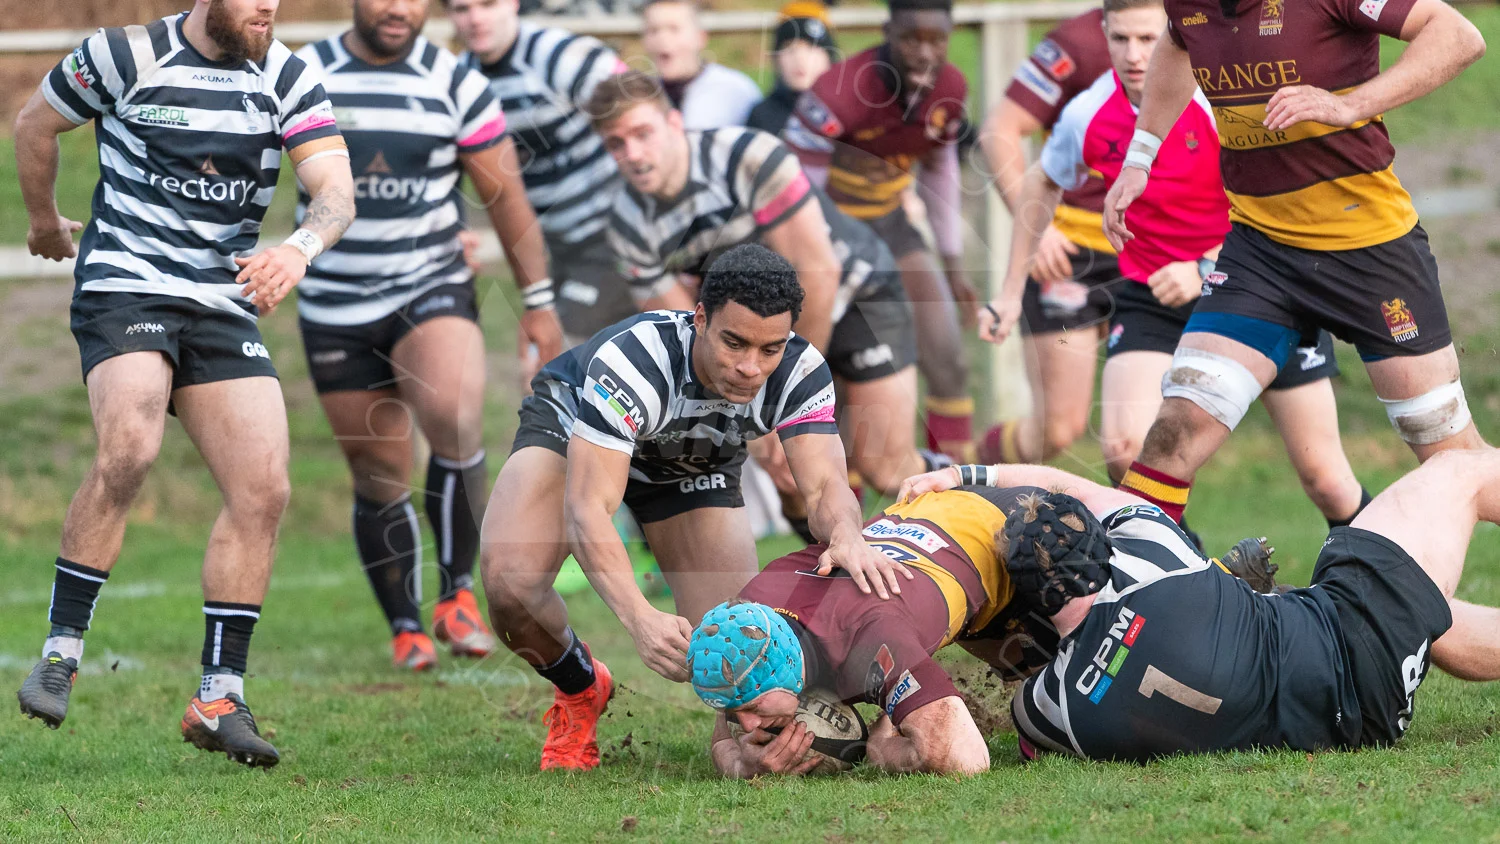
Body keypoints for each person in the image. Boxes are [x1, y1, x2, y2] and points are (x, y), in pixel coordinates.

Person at [14, 0, 355, 767]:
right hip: (125, 284)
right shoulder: (126, 55)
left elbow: (335, 189)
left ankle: (218, 695)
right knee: (131, 444)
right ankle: (61, 653)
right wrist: (41, 222)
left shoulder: (290, 75)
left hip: (219, 298)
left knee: (264, 485)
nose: (266, 5)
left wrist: (298, 249)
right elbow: (35, 123)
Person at [478, 245, 903, 771]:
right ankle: (580, 686)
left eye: (769, 349)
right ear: (700, 319)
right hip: (576, 434)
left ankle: (767, 740)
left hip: (690, 464)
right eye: (733, 342)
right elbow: (588, 508)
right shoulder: (636, 360)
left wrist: (845, 533)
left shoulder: (800, 370)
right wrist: (639, 618)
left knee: (745, 642)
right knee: (509, 581)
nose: (750, 367)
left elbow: (823, 488)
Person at [981, 0, 1369, 528]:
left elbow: (1286, 199)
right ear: (1103, 33)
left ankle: (1382, 590)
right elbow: (1042, 180)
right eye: (1120, 39)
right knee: (1124, 451)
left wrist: (1204, 267)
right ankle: (1198, 590)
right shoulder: (1088, 112)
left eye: (1147, 39)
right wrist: (1008, 293)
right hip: (1151, 297)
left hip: (1257, 286)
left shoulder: (1221, 101)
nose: (1134, 55)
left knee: (1326, 479)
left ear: (1174, 32)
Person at [1104, 0, 1488, 522]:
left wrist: (1351, 105)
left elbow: (1459, 35)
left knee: (1448, 455)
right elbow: (1176, 43)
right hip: (1259, 250)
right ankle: (1151, 591)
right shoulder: (1188, 5)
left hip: (1369, 248)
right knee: (1178, 427)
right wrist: (1140, 157)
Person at [898, 453, 1500, 762]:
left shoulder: (1047, 709)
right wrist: (967, 474)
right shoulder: (1149, 556)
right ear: (1099, 546)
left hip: (1365, 724)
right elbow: (1078, 489)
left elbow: (1029, 676)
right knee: (1462, 473)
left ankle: (1252, 596)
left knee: (1429, 609)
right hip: (1348, 635)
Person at [294, 0, 563, 671]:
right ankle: (405, 625)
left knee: (453, 407)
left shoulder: (456, 82)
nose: (398, 8)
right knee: (379, 471)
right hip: (335, 302)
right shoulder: (306, 73)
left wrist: (538, 301)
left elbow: (503, 194)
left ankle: (457, 594)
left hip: (430, 284)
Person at [590, 71, 948, 504]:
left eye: (642, 133)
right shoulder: (627, 226)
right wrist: (746, 415)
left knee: (887, 468)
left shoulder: (746, 155)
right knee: (797, 475)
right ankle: (841, 564)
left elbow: (817, 270)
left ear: (673, 124)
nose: (633, 154)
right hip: (761, 333)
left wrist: (781, 393)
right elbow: (691, 330)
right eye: (616, 143)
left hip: (856, 293)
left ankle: (984, 492)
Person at [687, 476, 1049, 777]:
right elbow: (729, 715)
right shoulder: (750, 621)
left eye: (753, 709)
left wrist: (884, 750)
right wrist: (740, 765)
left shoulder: (870, 640)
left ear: (785, 671)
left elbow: (968, 761)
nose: (747, 726)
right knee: (1013, 665)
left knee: (1056, 707)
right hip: (933, 524)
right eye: (738, 712)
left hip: (1015, 522)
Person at [782, 0, 980, 462]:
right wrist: (815, 267)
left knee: (947, 357)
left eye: (938, 39)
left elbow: (939, 171)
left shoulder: (950, 87)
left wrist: (951, 263)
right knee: (837, 381)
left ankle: (958, 500)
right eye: (912, 38)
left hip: (891, 225)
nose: (925, 52)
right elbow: (796, 196)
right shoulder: (836, 93)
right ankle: (840, 520)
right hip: (829, 232)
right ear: (887, 31)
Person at [447, 0, 639, 349]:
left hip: (609, 236)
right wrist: (455, 230)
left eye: (487, 4)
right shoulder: (458, 80)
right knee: (548, 365)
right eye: (462, 8)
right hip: (549, 252)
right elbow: (446, 170)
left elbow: (643, 110)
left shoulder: (561, 56)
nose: (475, 19)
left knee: (558, 355)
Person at [978, 7, 1116, 465]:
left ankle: (1147, 532)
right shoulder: (1076, 43)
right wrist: (1039, 227)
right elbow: (1000, 130)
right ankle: (966, 473)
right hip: (1072, 253)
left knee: (1138, 433)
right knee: (1060, 428)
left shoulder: (1201, 34)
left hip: (1154, 254)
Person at [642, 0, 762, 129]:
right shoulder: (639, 98)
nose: (663, 39)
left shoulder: (735, 90)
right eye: (653, 30)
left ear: (701, 37)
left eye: (674, 29)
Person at [746, 2, 837, 137]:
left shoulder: (848, 111)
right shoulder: (762, 116)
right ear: (776, 58)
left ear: (828, 56)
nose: (800, 59)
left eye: (811, 47)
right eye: (789, 49)